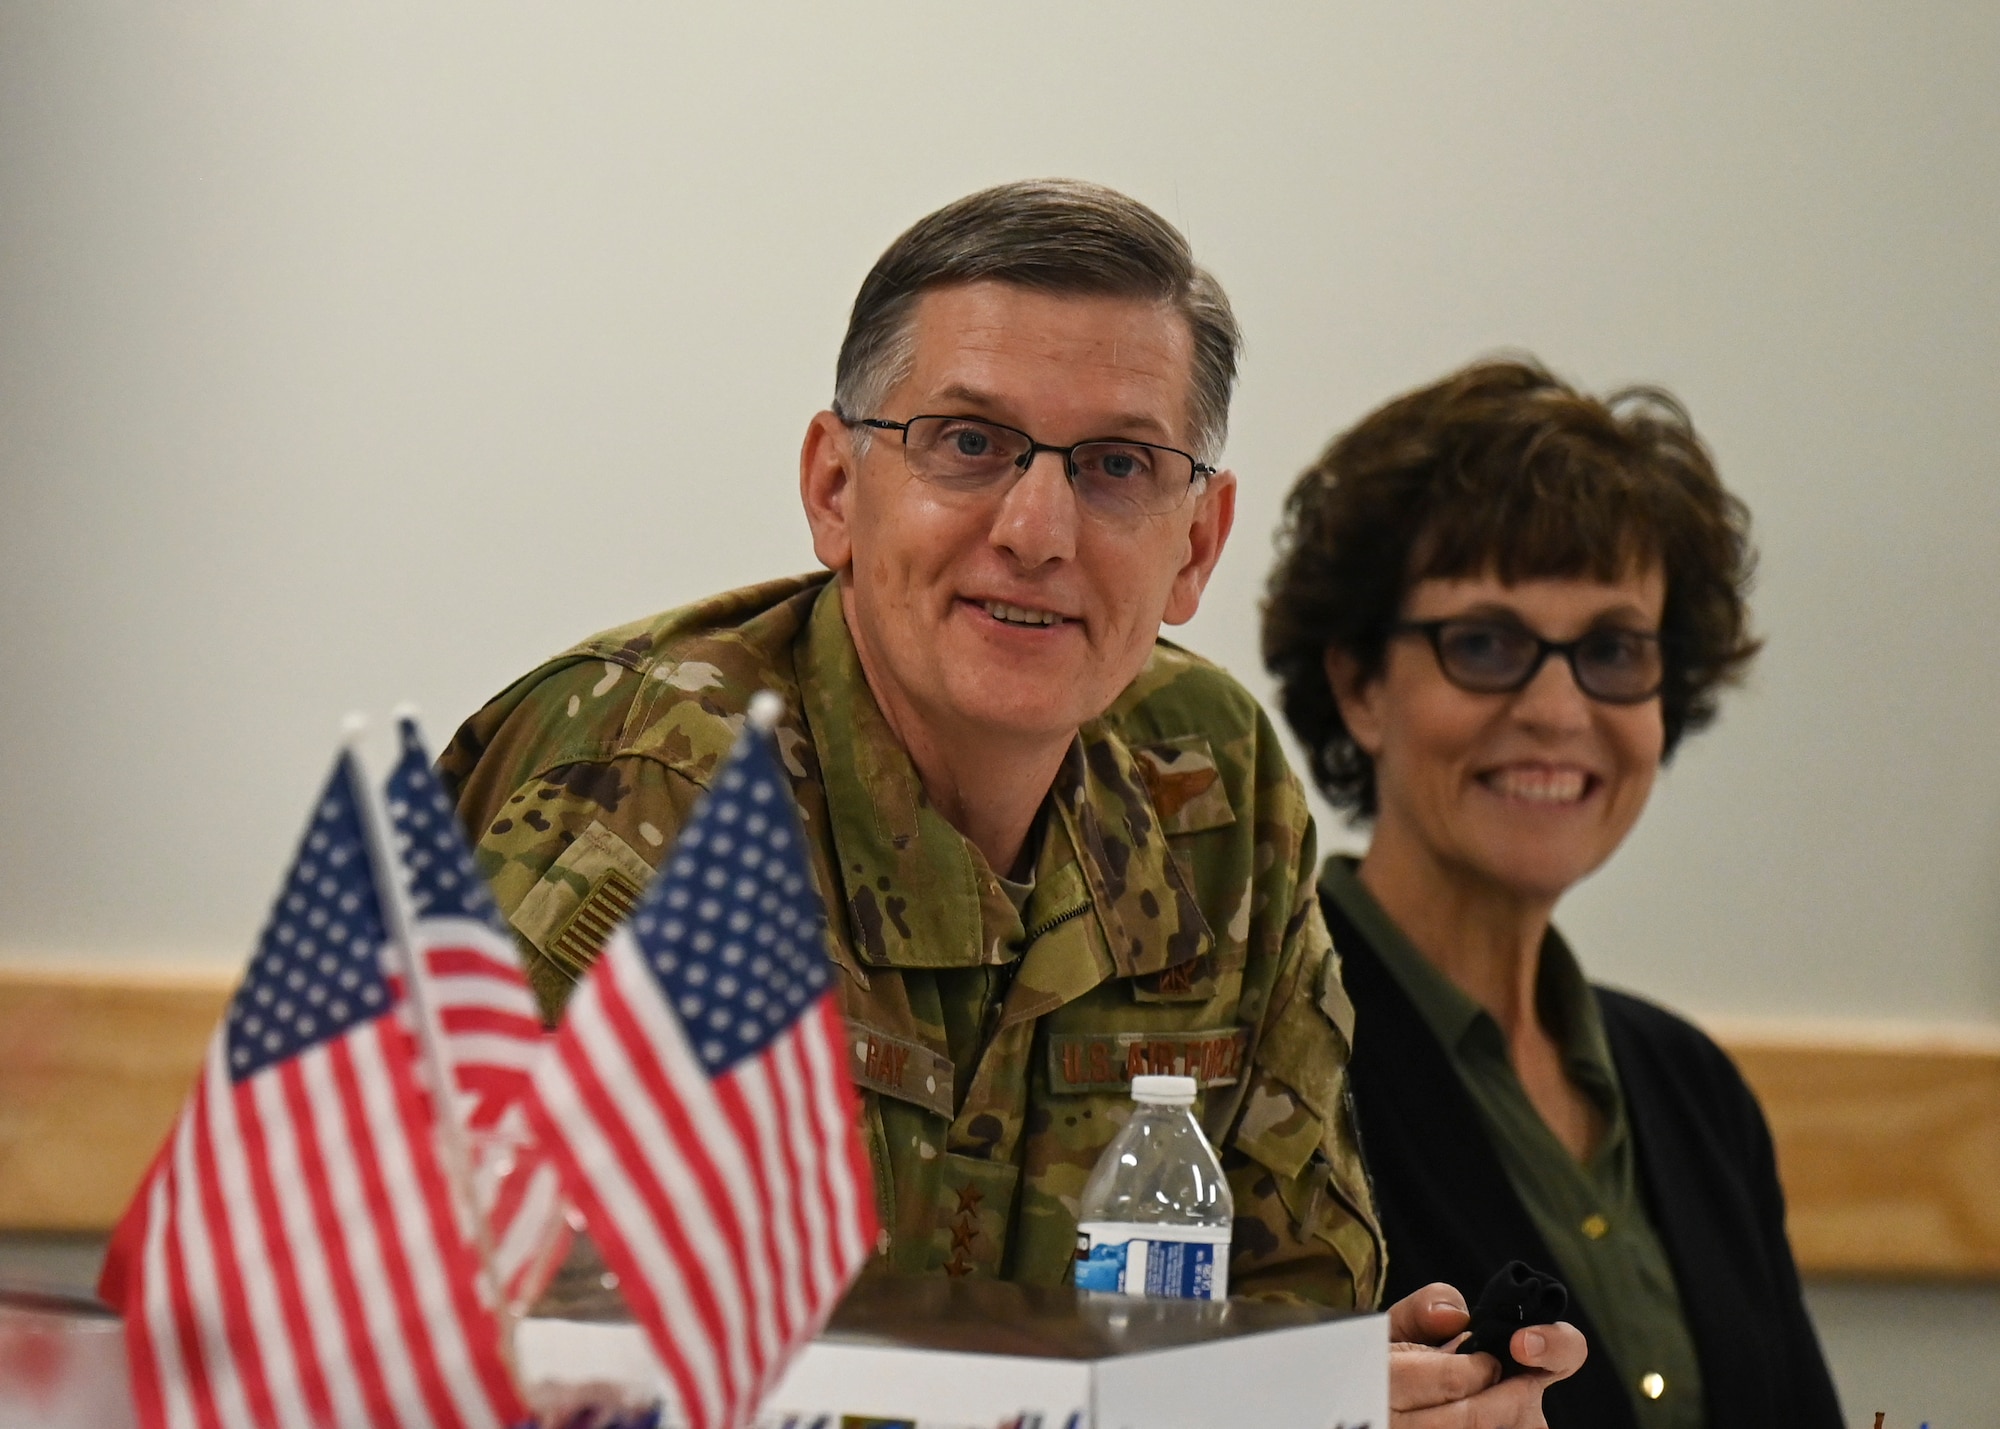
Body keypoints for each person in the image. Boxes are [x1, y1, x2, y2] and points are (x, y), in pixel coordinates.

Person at [441, 181, 1582, 1423]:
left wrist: (1375, 1400)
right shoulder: (650, 783)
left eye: (1115, 466)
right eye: (968, 443)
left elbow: (1284, 1308)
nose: (1036, 531)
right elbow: (477, 1351)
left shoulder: (1213, 792)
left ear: (1196, 544)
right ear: (835, 487)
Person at [1262, 358, 1842, 1428]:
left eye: (1612, 651)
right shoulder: (1253, 1052)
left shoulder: (1692, 1087)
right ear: (1357, 685)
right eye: (1483, 643)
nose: (1555, 707)